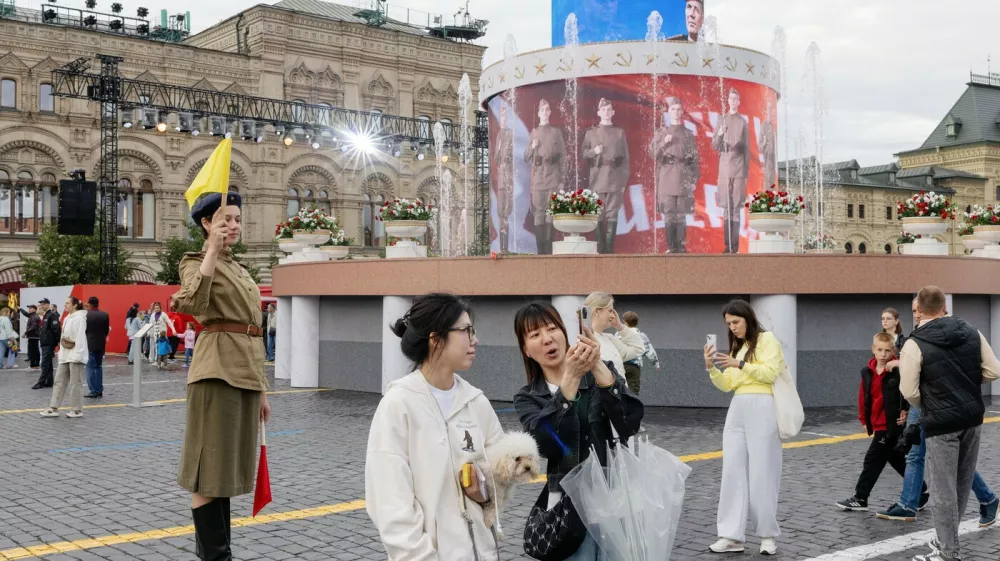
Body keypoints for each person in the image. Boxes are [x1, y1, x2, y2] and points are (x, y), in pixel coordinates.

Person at [365, 293, 503, 561]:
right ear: (436, 339)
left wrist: (484, 490)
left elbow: (500, 478)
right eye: (466, 331)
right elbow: (390, 504)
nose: (475, 340)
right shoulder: (399, 404)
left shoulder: (477, 402)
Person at [173, 192, 270, 561]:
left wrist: (262, 389)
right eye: (224, 218)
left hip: (245, 373)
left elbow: (253, 330)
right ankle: (217, 557)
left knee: (225, 470)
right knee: (208, 469)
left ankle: (218, 555)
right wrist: (210, 252)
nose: (233, 225)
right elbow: (192, 304)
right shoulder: (195, 261)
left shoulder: (241, 269)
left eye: (237, 219)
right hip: (216, 373)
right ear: (206, 224)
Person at [513, 301, 643, 561]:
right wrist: (569, 380)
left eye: (551, 329)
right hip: (566, 505)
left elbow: (629, 424)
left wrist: (597, 368)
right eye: (535, 335)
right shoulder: (528, 398)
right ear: (526, 350)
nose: (547, 339)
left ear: (564, 332)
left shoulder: (601, 372)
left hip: (611, 496)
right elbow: (547, 445)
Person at [891, 289, 1000, 561]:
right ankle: (945, 541)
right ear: (943, 307)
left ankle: (948, 552)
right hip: (972, 417)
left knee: (942, 490)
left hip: (940, 423)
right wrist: (966, 383)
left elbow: (909, 389)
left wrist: (928, 401)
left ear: (919, 309)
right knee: (962, 484)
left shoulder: (914, 343)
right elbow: (993, 370)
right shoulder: (972, 332)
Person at [705, 298, 784, 555]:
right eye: (729, 324)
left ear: (748, 318)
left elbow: (770, 373)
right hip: (738, 407)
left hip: (763, 405)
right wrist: (711, 369)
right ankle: (731, 535)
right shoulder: (738, 347)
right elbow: (728, 384)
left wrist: (740, 364)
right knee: (732, 471)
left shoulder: (767, 339)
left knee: (763, 471)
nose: (733, 328)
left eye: (736, 322)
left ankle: (767, 536)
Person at [835, 333, 927, 512]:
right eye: (879, 350)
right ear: (873, 349)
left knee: (873, 459)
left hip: (891, 424)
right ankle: (921, 491)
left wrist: (906, 410)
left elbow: (908, 390)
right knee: (896, 458)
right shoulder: (867, 371)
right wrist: (864, 419)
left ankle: (861, 497)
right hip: (876, 422)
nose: (883, 354)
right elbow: (864, 396)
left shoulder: (897, 369)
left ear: (893, 351)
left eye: (887, 351)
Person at [649, 96, 699, 254]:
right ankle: (671, 247)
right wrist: (664, 142)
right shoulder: (662, 132)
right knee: (670, 213)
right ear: (668, 112)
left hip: (683, 175)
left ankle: (681, 247)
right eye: (673, 109)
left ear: (682, 112)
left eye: (678, 109)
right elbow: (652, 153)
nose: (676, 112)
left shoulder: (688, 134)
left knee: (681, 214)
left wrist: (693, 179)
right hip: (667, 175)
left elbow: (695, 159)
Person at [582, 98, 629, 253]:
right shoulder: (591, 133)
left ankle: (609, 249)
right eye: (603, 110)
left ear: (613, 112)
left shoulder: (619, 133)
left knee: (612, 214)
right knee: (599, 214)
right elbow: (583, 154)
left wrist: (623, 183)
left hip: (614, 179)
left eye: (609, 109)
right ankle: (601, 249)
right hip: (598, 178)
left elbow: (625, 160)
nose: (606, 112)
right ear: (598, 112)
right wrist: (594, 152)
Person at [524, 99, 566, 255]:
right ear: (538, 113)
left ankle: (549, 250)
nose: (544, 112)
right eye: (542, 110)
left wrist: (561, 180)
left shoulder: (556, 133)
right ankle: (541, 251)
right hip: (538, 179)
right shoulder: (533, 133)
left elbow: (563, 158)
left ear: (549, 112)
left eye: (547, 109)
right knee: (539, 214)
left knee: (550, 214)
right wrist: (532, 147)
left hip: (552, 177)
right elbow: (525, 157)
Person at [711, 88, 749, 253]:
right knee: (727, 207)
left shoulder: (743, 122)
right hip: (725, 167)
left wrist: (746, 174)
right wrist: (719, 134)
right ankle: (727, 246)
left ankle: (735, 247)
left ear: (739, 102)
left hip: (739, 167)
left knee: (736, 207)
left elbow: (747, 149)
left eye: (736, 99)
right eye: (731, 98)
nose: (733, 101)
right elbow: (714, 145)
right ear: (728, 101)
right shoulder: (722, 119)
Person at [39, 296, 88, 419]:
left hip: (75, 354)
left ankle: (76, 409)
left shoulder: (79, 318)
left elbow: (80, 337)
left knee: (75, 383)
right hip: (65, 354)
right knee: (59, 381)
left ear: (75, 305)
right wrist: (61, 352)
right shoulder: (67, 318)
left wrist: (78, 355)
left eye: (67, 303)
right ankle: (53, 407)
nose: (65, 305)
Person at [583, 292, 644, 382]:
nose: (613, 315)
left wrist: (619, 326)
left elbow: (638, 349)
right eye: (610, 311)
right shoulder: (585, 342)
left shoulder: (610, 339)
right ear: (597, 311)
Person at [620, 310, 660, 395]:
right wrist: (656, 363)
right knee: (633, 388)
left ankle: (621, 405)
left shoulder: (619, 334)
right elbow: (649, 350)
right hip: (634, 366)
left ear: (625, 322)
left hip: (621, 364)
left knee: (620, 387)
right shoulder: (641, 335)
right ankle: (632, 405)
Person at [495, 104, 515, 253]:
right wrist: (500, 146)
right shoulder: (499, 134)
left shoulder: (510, 133)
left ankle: (507, 247)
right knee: (501, 212)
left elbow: (512, 156)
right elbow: (497, 159)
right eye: (501, 116)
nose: (504, 118)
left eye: (505, 116)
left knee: (507, 211)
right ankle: (502, 246)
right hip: (501, 178)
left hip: (509, 177)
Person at [85, 296, 110, 398]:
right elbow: (106, 331)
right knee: (98, 367)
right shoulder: (105, 315)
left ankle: (93, 390)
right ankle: (99, 389)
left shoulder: (86, 315)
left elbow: (84, 330)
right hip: (101, 343)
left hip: (89, 344)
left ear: (89, 304)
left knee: (90, 367)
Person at [33, 298, 60, 389]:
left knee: (44, 363)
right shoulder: (46, 315)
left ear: (48, 304)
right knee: (48, 364)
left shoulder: (52, 315)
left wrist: (57, 342)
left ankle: (41, 382)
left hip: (49, 343)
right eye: (41, 304)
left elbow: (56, 329)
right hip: (45, 342)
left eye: (43, 304)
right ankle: (49, 381)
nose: (42, 305)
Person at [148, 302, 175, 368]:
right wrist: (148, 332)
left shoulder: (163, 314)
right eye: (155, 308)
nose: (156, 309)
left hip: (162, 334)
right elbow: (150, 324)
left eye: (157, 308)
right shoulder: (152, 315)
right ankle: (157, 361)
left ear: (160, 308)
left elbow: (169, 322)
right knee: (156, 347)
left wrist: (173, 330)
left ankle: (163, 361)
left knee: (163, 348)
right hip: (155, 334)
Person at [20, 304, 40, 368]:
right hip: (33, 336)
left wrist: (25, 332)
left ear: (34, 309)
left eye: (30, 308)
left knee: (33, 351)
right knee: (34, 350)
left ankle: (34, 364)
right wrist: (20, 309)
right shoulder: (32, 316)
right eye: (29, 308)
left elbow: (33, 326)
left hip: (33, 336)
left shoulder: (34, 317)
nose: (29, 309)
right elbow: (26, 313)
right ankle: (35, 364)